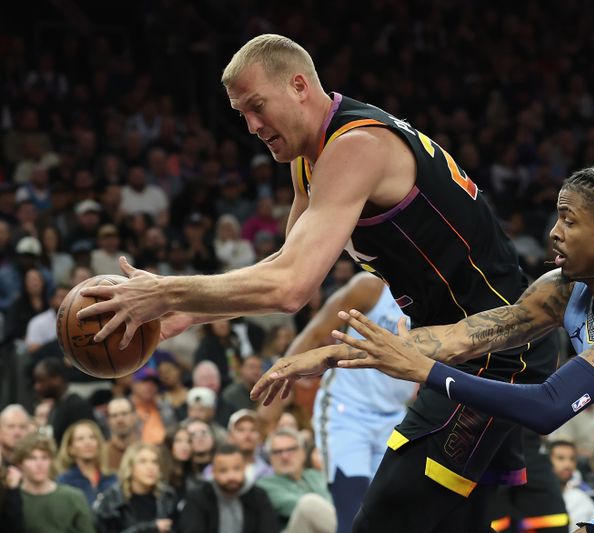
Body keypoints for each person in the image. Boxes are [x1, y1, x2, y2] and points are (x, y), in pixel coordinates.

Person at [78, 33, 565, 533]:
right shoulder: (308, 160)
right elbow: (290, 265)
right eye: (241, 113)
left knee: (381, 522)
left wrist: (163, 291)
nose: (251, 126)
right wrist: (192, 312)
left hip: (496, 348)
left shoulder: (357, 147)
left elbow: (289, 287)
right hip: (458, 348)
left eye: (257, 106)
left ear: (298, 86)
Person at [293, 164, 594, 532]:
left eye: (569, 220)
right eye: (556, 217)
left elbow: (548, 408)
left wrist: (426, 372)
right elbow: (470, 334)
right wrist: (343, 351)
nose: (554, 231)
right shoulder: (566, 288)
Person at [285, 271, 415, 533]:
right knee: (352, 518)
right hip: (347, 412)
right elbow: (314, 334)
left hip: (395, 417)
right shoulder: (370, 288)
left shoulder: (437, 300)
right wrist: (270, 408)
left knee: (392, 517)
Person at [179, 444, 279, 533]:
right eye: (223, 471)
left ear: (245, 468)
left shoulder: (258, 496)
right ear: (213, 472)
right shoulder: (198, 498)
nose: (231, 476)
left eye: (237, 469)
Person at [257, 428, 335, 533]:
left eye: (290, 449)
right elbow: (294, 505)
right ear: (270, 457)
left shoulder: (316, 475)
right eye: (277, 452)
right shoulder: (264, 485)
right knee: (308, 503)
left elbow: (333, 502)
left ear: (303, 453)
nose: (284, 456)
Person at [14, 432, 95, 533]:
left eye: (45, 457)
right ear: (20, 463)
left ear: (51, 461)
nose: (39, 464)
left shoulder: (73, 497)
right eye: (32, 458)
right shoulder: (13, 500)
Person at [93, 443, 178, 533]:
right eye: (142, 462)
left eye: (154, 462)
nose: (150, 467)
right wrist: (151, 528)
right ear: (130, 466)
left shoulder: (167, 496)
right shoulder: (112, 500)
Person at [32, 357, 95, 446]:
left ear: (56, 379)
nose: (37, 387)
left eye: (41, 381)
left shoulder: (77, 406)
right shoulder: (55, 406)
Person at [55, 420, 117, 507]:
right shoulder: (65, 482)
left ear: (98, 444)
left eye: (92, 437)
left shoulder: (112, 479)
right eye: (80, 439)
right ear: (71, 448)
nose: (87, 442)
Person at [548, 441, 594, 532]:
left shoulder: (580, 498)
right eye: (560, 458)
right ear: (547, 460)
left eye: (572, 459)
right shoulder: (537, 497)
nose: (567, 465)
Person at [102, 398, 140, 473]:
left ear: (135, 417)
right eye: (114, 416)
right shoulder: (101, 453)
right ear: (108, 421)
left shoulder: (147, 452)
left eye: (124, 414)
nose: (120, 420)